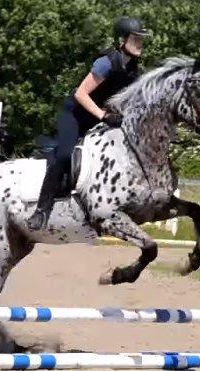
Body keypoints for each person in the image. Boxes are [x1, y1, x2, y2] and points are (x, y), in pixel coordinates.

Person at [27, 16, 152, 230]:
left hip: (100, 118)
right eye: (136, 38)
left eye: (141, 39)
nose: (140, 43)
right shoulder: (106, 63)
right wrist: (103, 116)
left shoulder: (133, 69)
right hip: (76, 116)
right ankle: (42, 210)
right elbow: (81, 94)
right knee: (65, 155)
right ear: (122, 40)